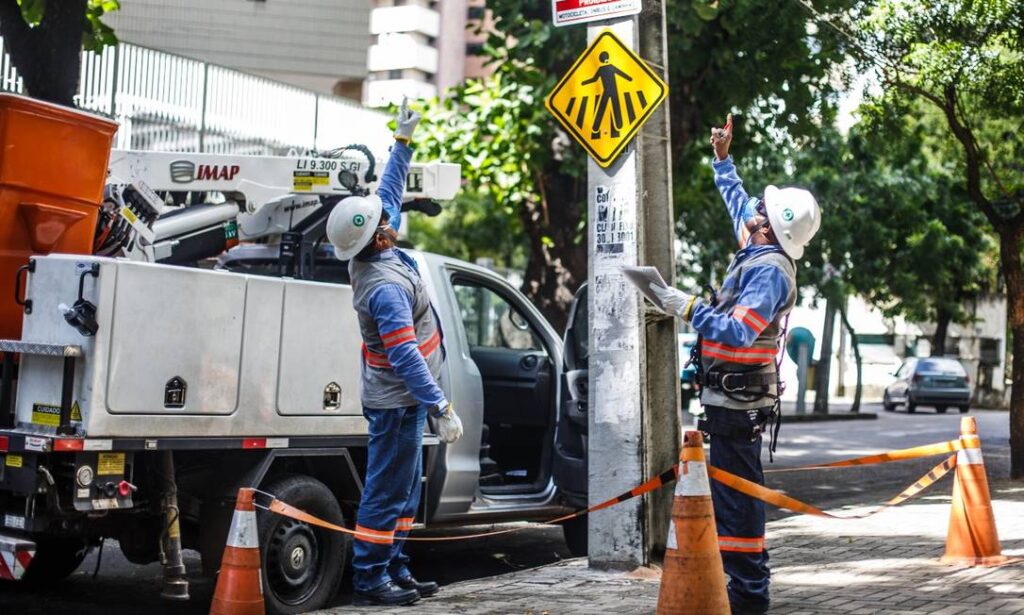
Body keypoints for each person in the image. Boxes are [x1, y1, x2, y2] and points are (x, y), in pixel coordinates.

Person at [648, 114, 820, 615]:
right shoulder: (757, 247)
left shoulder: (769, 272)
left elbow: (737, 329)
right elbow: (735, 200)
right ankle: (737, 593)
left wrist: (686, 307)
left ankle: (749, 599)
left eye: (759, 209)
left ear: (767, 225)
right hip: (727, 401)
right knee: (728, 501)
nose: (751, 210)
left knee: (740, 509)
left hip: (739, 406)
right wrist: (723, 159)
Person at [325, 99, 464, 607]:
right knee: (386, 493)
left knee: (405, 492)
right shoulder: (382, 284)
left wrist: (401, 142)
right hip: (397, 401)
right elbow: (405, 356)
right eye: (386, 222)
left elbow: (389, 189)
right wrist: (439, 407)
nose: (391, 218)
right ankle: (371, 579)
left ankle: (396, 567)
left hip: (404, 399)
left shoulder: (377, 246)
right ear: (378, 237)